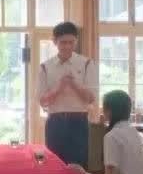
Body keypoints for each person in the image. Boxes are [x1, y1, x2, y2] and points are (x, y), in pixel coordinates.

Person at [69, 90, 143, 174]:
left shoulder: (112, 136)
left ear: (109, 111)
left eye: (103, 108)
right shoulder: (133, 132)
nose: (101, 111)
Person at [37, 21, 98, 166]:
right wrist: (59, 88)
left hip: (79, 121)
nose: (67, 46)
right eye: (63, 42)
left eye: (71, 42)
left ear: (76, 41)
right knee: (54, 166)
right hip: (55, 122)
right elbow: (42, 101)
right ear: (54, 41)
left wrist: (75, 85)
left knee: (78, 166)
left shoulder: (86, 63)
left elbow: (91, 98)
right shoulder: (46, 67)